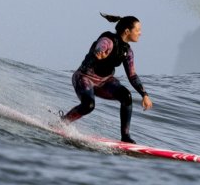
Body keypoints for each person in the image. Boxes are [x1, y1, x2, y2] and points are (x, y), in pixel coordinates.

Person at [61, 13, 152, 143]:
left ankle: (125, 137)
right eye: (137, 30)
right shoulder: (108, 40)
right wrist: (99, 53)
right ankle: (62, 122)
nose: (140, 33)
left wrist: (144, 94)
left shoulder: (128, 51)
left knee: (126, 96)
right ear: (127, 31)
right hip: (84, 78)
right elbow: (100, 47)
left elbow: (132, 75)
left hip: (104, 82)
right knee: (89, 105)